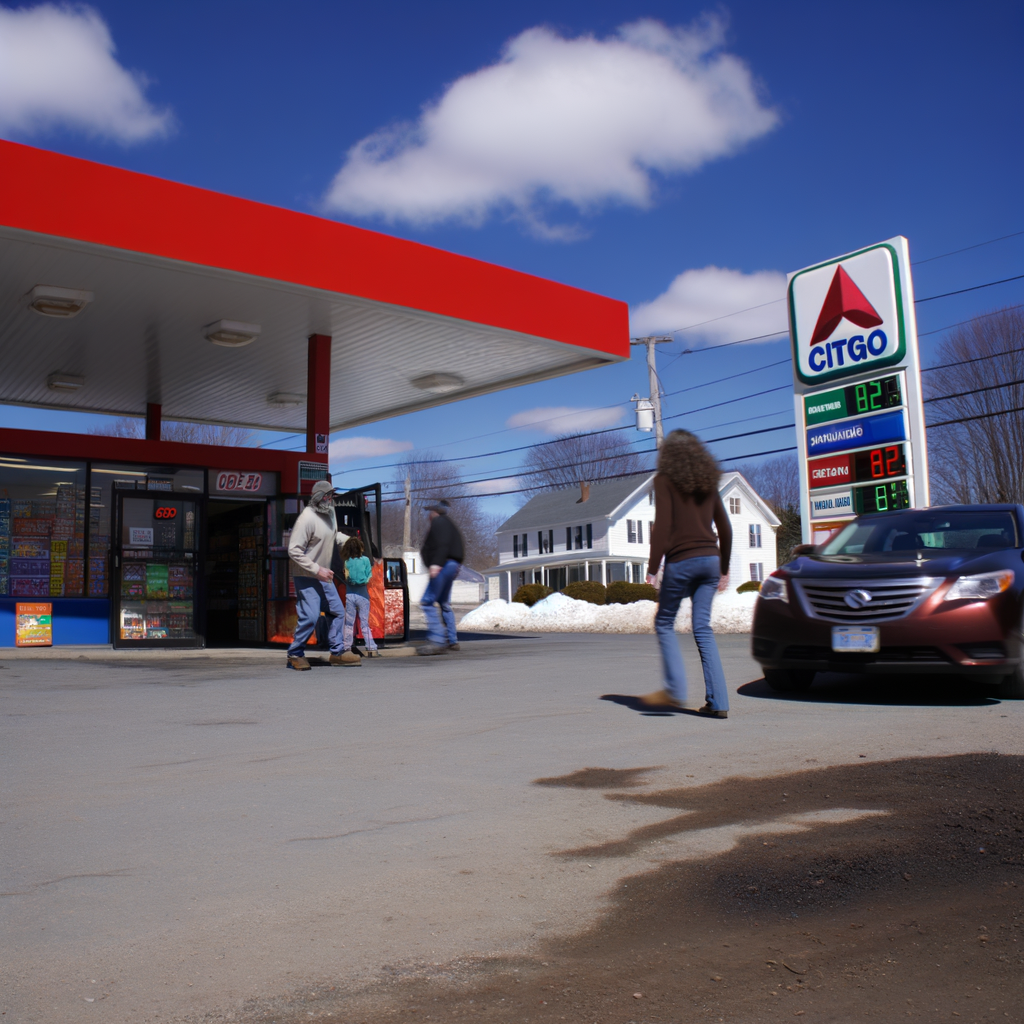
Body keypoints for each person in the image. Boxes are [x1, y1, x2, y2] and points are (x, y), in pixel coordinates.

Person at [640, 430, 732, 717]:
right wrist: (724, 569)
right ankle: (719, 704)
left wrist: (653, 567)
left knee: (665, 621)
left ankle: (676, 691)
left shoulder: (664, 481)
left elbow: (663, 526)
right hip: (710, 561)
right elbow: (725, 528)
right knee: (703, 628)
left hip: (683, 560)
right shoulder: (708, 482)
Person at [286, 479, 359, 670]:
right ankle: (295, 653)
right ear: (318, 497)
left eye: (332, 495)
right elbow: (293, 551)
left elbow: (333, 535)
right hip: (307, 575)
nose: (331, 499)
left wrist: (349, 541)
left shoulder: (330, 513)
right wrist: (317, 569)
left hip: (324, 575)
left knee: (337, 612)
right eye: (327, 496)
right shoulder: (306, 518)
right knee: (310, 616)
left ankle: (337, 652)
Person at [417, 499, 464, 655]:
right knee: (443, 602)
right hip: (452, 565)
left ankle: (438, 640)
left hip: (443, 565)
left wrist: (436, 564)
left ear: (435, 513)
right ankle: (452, 639)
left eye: (431, 512)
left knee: (427, 601)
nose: (429, 516)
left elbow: (442, 544)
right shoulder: (449, 524)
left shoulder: (440, 523)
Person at [340, 535, 380, 658]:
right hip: (363, 595)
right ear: (360, 548)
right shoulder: (366, 560)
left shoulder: (347, 561)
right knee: (364, 623)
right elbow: (369, 575)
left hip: (350, 594)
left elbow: (345, 576)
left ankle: (347, 646)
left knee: (349, 623)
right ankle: (370, 647)